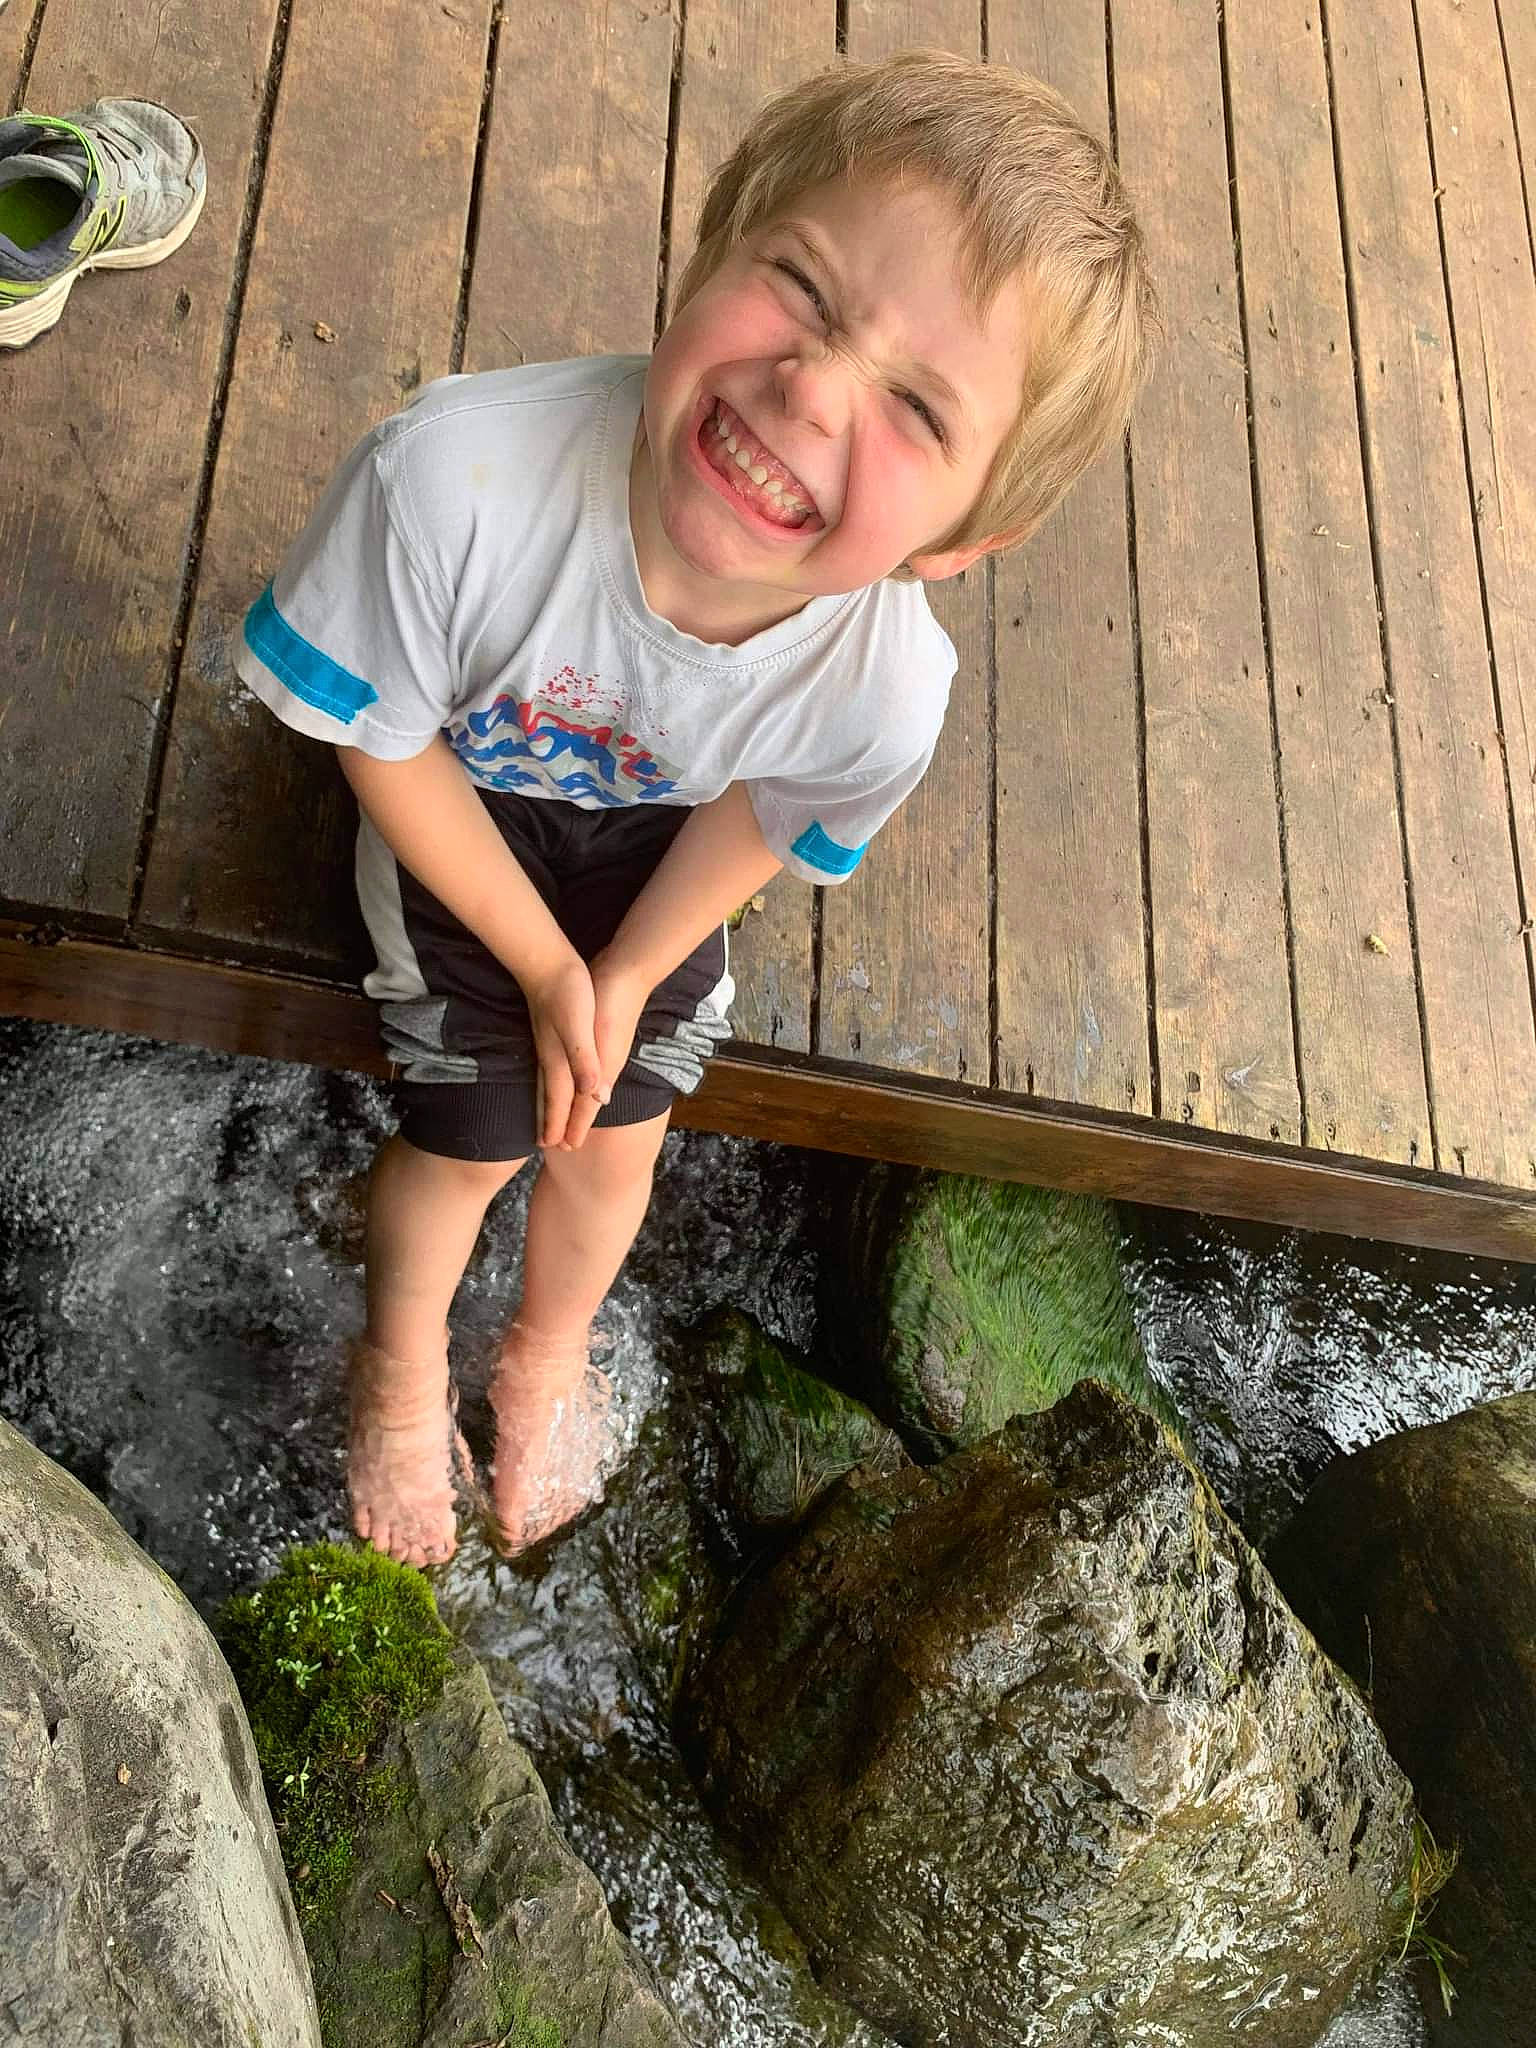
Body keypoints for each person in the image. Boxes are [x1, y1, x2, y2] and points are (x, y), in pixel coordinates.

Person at [232, 49, 1159, 1569]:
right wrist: (546, 966)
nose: (812, 388)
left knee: (618, 1139)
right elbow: (384, 749)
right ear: (711, 243)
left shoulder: (885, 685)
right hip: (467, 798)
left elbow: (767, 821)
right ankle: (400, 1363)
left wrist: (625, 972)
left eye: (917, 407)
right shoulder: (449, 483)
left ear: (966, 534)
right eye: (801, 286)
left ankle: (545, 1348)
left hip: (659, 844)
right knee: (473, 1142)